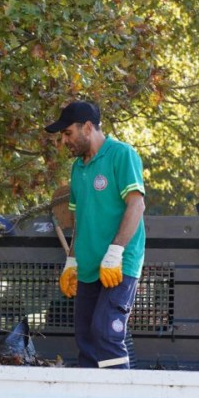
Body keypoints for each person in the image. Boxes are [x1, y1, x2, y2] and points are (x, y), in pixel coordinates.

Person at [45, 100, 146, 369]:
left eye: (68, 133)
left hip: (118, 265)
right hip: (88, 268)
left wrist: (115, 252)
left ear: (87, 127)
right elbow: (79, 221)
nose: (64, 141)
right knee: (86, 338)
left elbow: (137, 204)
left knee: (106, 334)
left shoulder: (122, 155)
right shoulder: (78, 169)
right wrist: (72, 261)